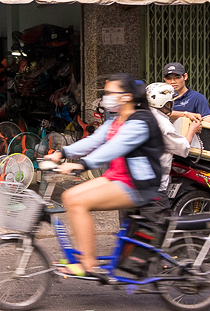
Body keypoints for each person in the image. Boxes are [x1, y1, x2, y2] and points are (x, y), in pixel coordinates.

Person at [44, 73, 164, 276]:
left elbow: (114, 148)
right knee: (69, 196)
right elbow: (94, 140)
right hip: (116, 177)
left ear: (126, 96)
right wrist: (62, 153)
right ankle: (84, 255)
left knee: (79, 202)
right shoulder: (117, 119)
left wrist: (82, 165)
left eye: (110, 93)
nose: (105, 97)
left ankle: (87, 262)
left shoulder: (140, 122)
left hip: (138, 186)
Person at [119, 82, 199, 221]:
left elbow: (165, 113)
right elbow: (181, 147)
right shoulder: (163, 124)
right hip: (152, 187)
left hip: (128, 184)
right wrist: (192, 129)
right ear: (166, 103)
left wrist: (186, 114)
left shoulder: (140, 114)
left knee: (131, 231)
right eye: (170, 102)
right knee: (160, 232)